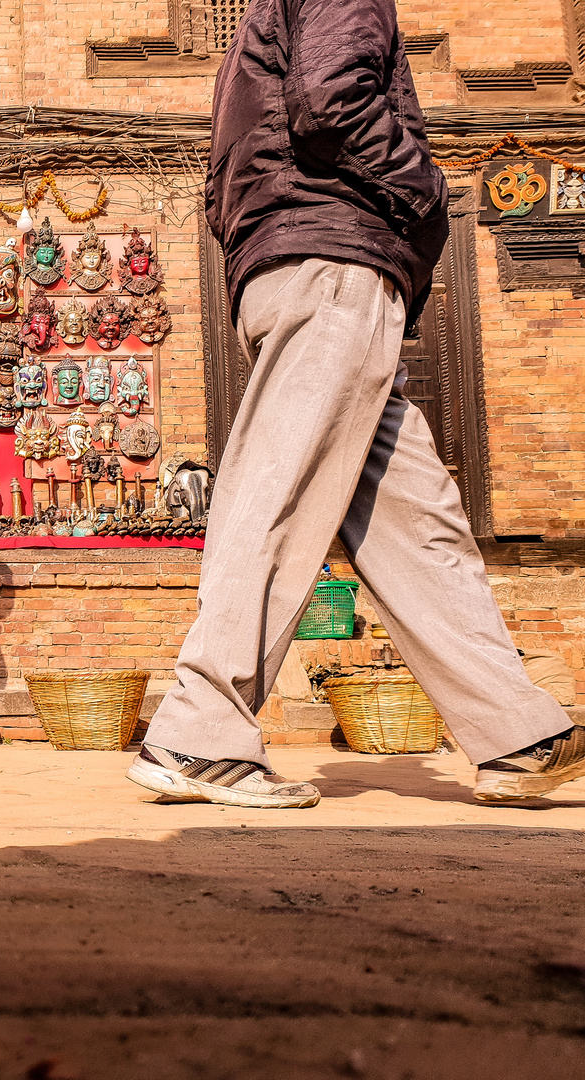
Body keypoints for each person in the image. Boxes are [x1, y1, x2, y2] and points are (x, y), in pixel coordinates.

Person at [128, 0, 581, 808]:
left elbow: (225, 178)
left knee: (416, 518)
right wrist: (427, 192)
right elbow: (331, 98)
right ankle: (198, 731)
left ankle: (515, 731)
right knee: (282, 490)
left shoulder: (256, 32)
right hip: (333, 262)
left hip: (308, 263)